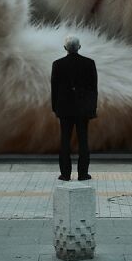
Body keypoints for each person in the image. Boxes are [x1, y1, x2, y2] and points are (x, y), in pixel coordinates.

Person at [51, 35, 98, 181]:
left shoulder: (57, 64)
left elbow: (54, 89)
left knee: (65, 141)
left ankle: (65, 174)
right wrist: (92, 108)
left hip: (64, 110)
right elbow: (93, 89)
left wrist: (55, 108)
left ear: (65, 48)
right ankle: (83, 174)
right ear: (79, 47)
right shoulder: (89, 63)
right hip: (83, 110)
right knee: (83, 141)